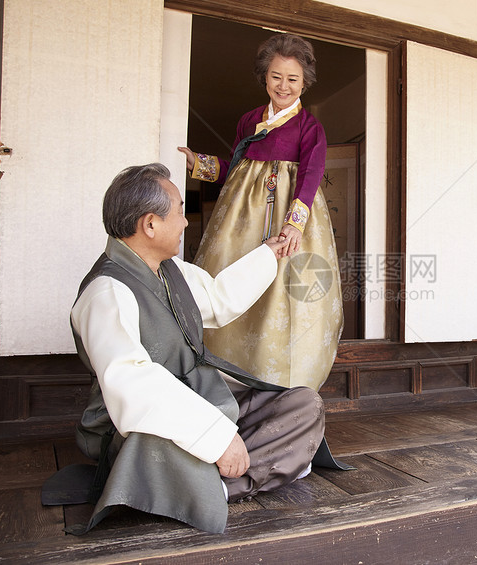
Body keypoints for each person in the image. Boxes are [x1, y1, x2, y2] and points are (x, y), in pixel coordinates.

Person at [60, 163, 339, 535]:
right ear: (150, 224)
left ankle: (203, 483)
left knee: (304, 405)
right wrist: (218, 437)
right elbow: (132, 386)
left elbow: (220, 299)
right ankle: (225, 482)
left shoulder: (169, 268)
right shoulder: (106, 292)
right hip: (139, 429)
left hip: (201, 401)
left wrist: (268, 254)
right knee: (161, 446)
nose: (185, 222)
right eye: (178, 211)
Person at [179, 33, 342, 391]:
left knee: (286, 293)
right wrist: (199, 164)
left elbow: (311, 175)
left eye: (293, 79)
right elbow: (236, 169)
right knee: (233, 277)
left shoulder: (310, 127)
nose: (283, 86)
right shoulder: (249, 120)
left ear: (305, 83)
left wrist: (295, 225)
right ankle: (229, 374)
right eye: (276, 76)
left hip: (290, 218)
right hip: (243, 218)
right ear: (264, 77)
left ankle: (281, 384)